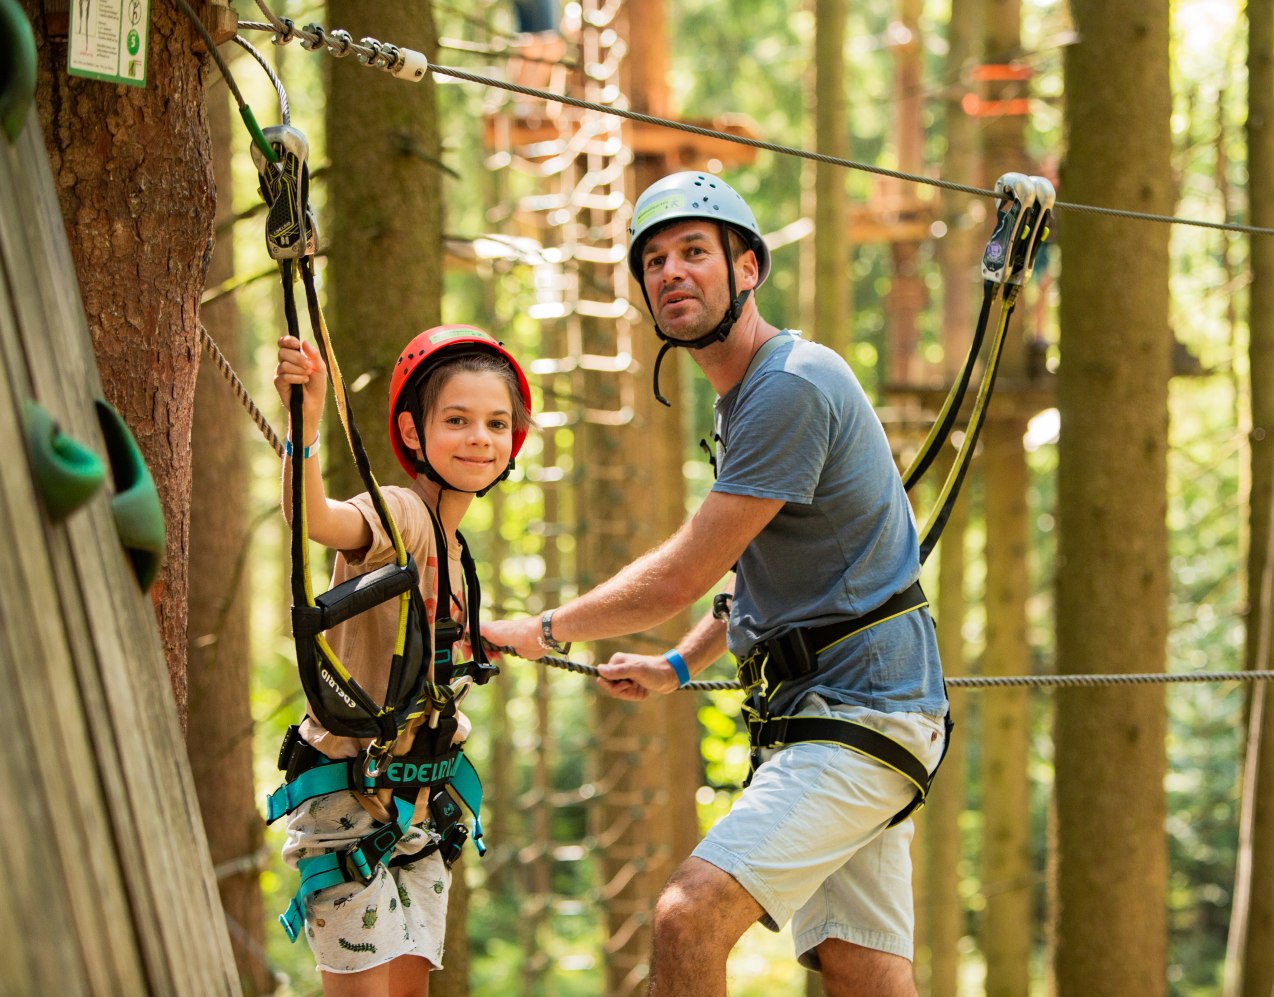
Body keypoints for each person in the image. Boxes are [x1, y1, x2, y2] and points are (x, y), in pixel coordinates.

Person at [482, 171, 949, 996]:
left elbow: (686, 572)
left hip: (860, 711)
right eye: (654, 260)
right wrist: (680, 665)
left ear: (748, 268)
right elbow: (749, 574)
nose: (670, 273)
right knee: (864, 970)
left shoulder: (788, 386)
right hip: (842, 709)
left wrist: (545, 627)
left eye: (695, 251)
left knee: (686, 914)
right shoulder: (748, 400)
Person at [273, 324, 532, 996]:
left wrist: (495, 635)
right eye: (458, 419)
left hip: (417, 806)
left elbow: (426, 646)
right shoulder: (404, 515)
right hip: (352, 802)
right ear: (414, 434)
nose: (480, 437)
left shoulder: (455, 548)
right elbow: (321, 519)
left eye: (496, 422)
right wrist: (305, 422)